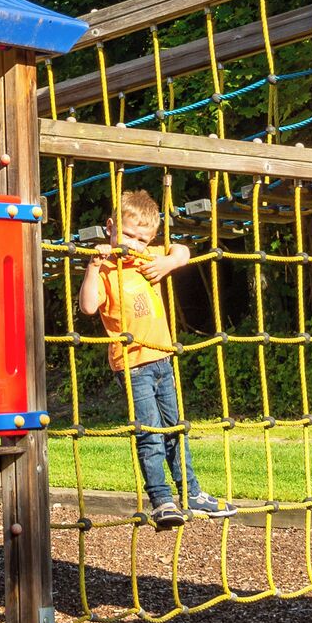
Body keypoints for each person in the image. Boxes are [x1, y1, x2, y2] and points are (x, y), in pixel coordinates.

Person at [79, 187, 206, 522]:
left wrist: (168, 261)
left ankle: (190, 491)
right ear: (110, 227)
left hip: (163, 358)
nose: (135, 244)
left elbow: (183, 250)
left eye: (143, 239)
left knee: (176, 428)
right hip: (133, 365)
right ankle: (162, 500)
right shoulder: (107, 269)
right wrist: (94, 265)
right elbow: (89, 306)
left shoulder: (149, 258)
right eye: (130, 236)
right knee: (149, 432)